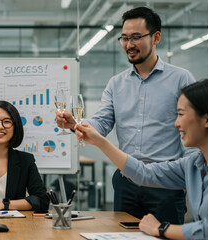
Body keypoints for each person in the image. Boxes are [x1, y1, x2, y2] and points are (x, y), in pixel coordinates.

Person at [56, 7, 195, 224]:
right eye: (124, 38)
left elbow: (194, 130)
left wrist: (191, 174)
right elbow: (102, 122)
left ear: (156, 37)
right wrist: (77, 124)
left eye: (136, 37)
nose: (129, 45)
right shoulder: (116, 83)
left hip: (165, 184)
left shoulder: (181, 79)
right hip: (126, 181)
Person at [76, 79, 208, 239]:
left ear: (207, 120)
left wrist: (160, 228)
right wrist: (100, 141)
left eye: (180, 114)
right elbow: (144, 173)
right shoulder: (192, 165)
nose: (176, 123)